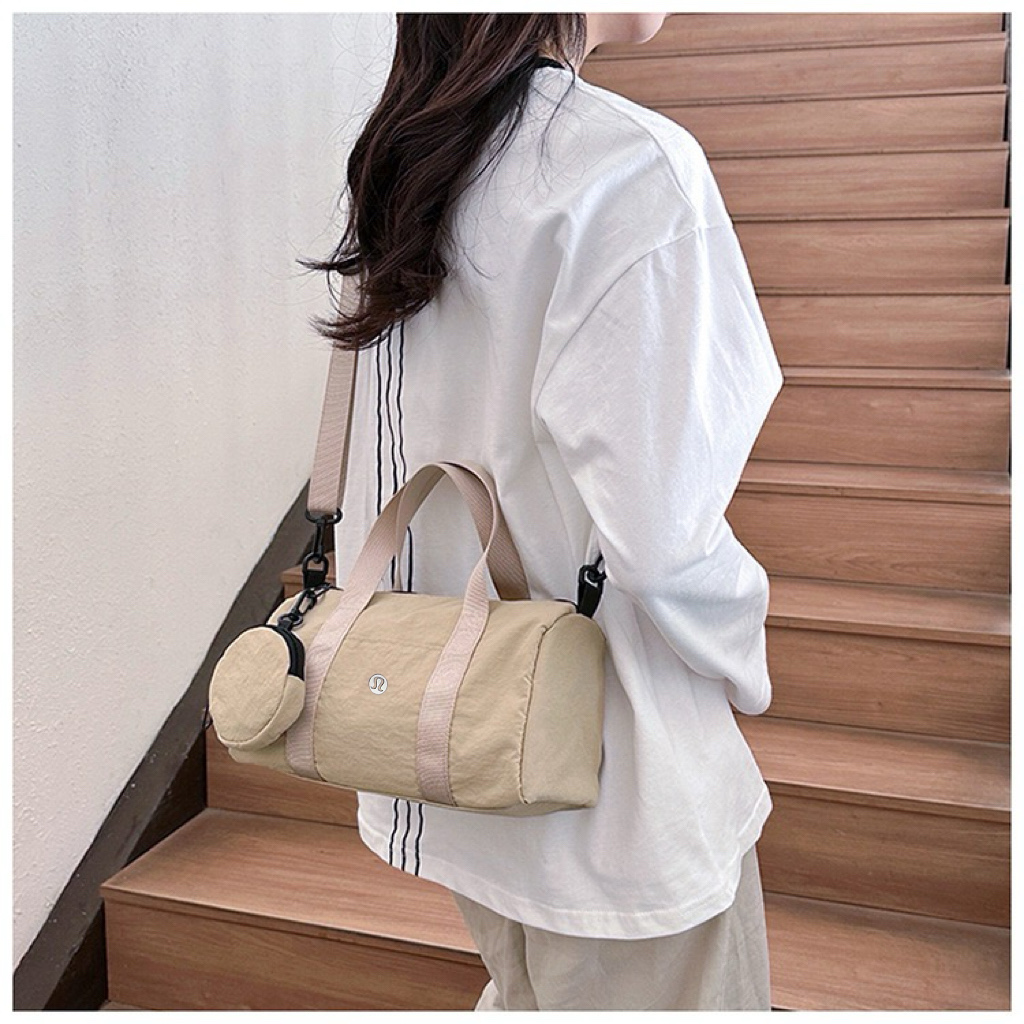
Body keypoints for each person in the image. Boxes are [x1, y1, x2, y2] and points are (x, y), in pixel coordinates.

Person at [299, 12, 785, 1012]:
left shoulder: (407, 161)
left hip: (454, 740)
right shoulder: (629, 169)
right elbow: (665, 546)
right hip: (611, 766)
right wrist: (744, 657)